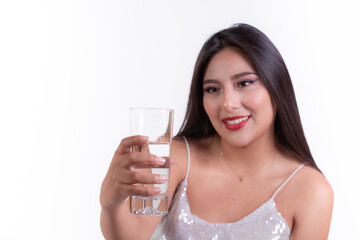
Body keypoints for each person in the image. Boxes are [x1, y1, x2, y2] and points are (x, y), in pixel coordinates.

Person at [100, 23, 333, 240]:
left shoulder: (311, 190)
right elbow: (130, 236)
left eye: (244, 83)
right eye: (212, 89)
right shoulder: (177, 158)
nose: (227, 104)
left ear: (276, 85)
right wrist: (111, 203)